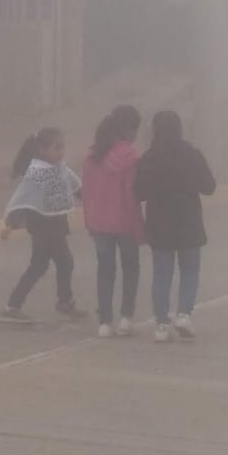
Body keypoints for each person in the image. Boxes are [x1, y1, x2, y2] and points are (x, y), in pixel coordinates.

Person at [134, 110, 217, 343]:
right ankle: (183, 314)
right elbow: (209, 186)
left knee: (162, 273)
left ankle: (161, 325)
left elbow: (138, 193)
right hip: (188, 221)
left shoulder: (148, 158)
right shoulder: (191, 154)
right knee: (189, 270)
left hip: (159, 224)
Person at [0, 127, 85, 321]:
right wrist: (10, 225)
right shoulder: (37, 172)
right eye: (57, 148)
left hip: (57, 225)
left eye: (63, 147)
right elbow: (24, 199)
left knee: (39, 266)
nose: (61, 152)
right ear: (43, 150)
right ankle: (64, 302)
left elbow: (77, 188)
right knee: (64, 262)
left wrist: (94, 201)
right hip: (43, 227)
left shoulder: (61, 168)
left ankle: (13, 305)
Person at [80, 105, 144, 338]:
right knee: (130, 269)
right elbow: (130, 196)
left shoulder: (92, 156)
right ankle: (126, 318)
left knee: (105, 271)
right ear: (128, 129)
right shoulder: (130, 156)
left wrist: (89, 220)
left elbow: (86, 192)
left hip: (98, 223)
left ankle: (105, 322)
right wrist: (138, 226)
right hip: (124, 222)